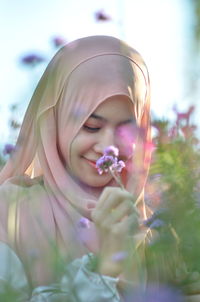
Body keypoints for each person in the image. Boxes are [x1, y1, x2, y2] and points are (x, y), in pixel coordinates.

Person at [0, 35, 152, 301]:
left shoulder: (154, 227)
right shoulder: (10, 212)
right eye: (91, 126)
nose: (107, 146)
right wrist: (103, 269)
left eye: (125, 129)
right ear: (54, 122)